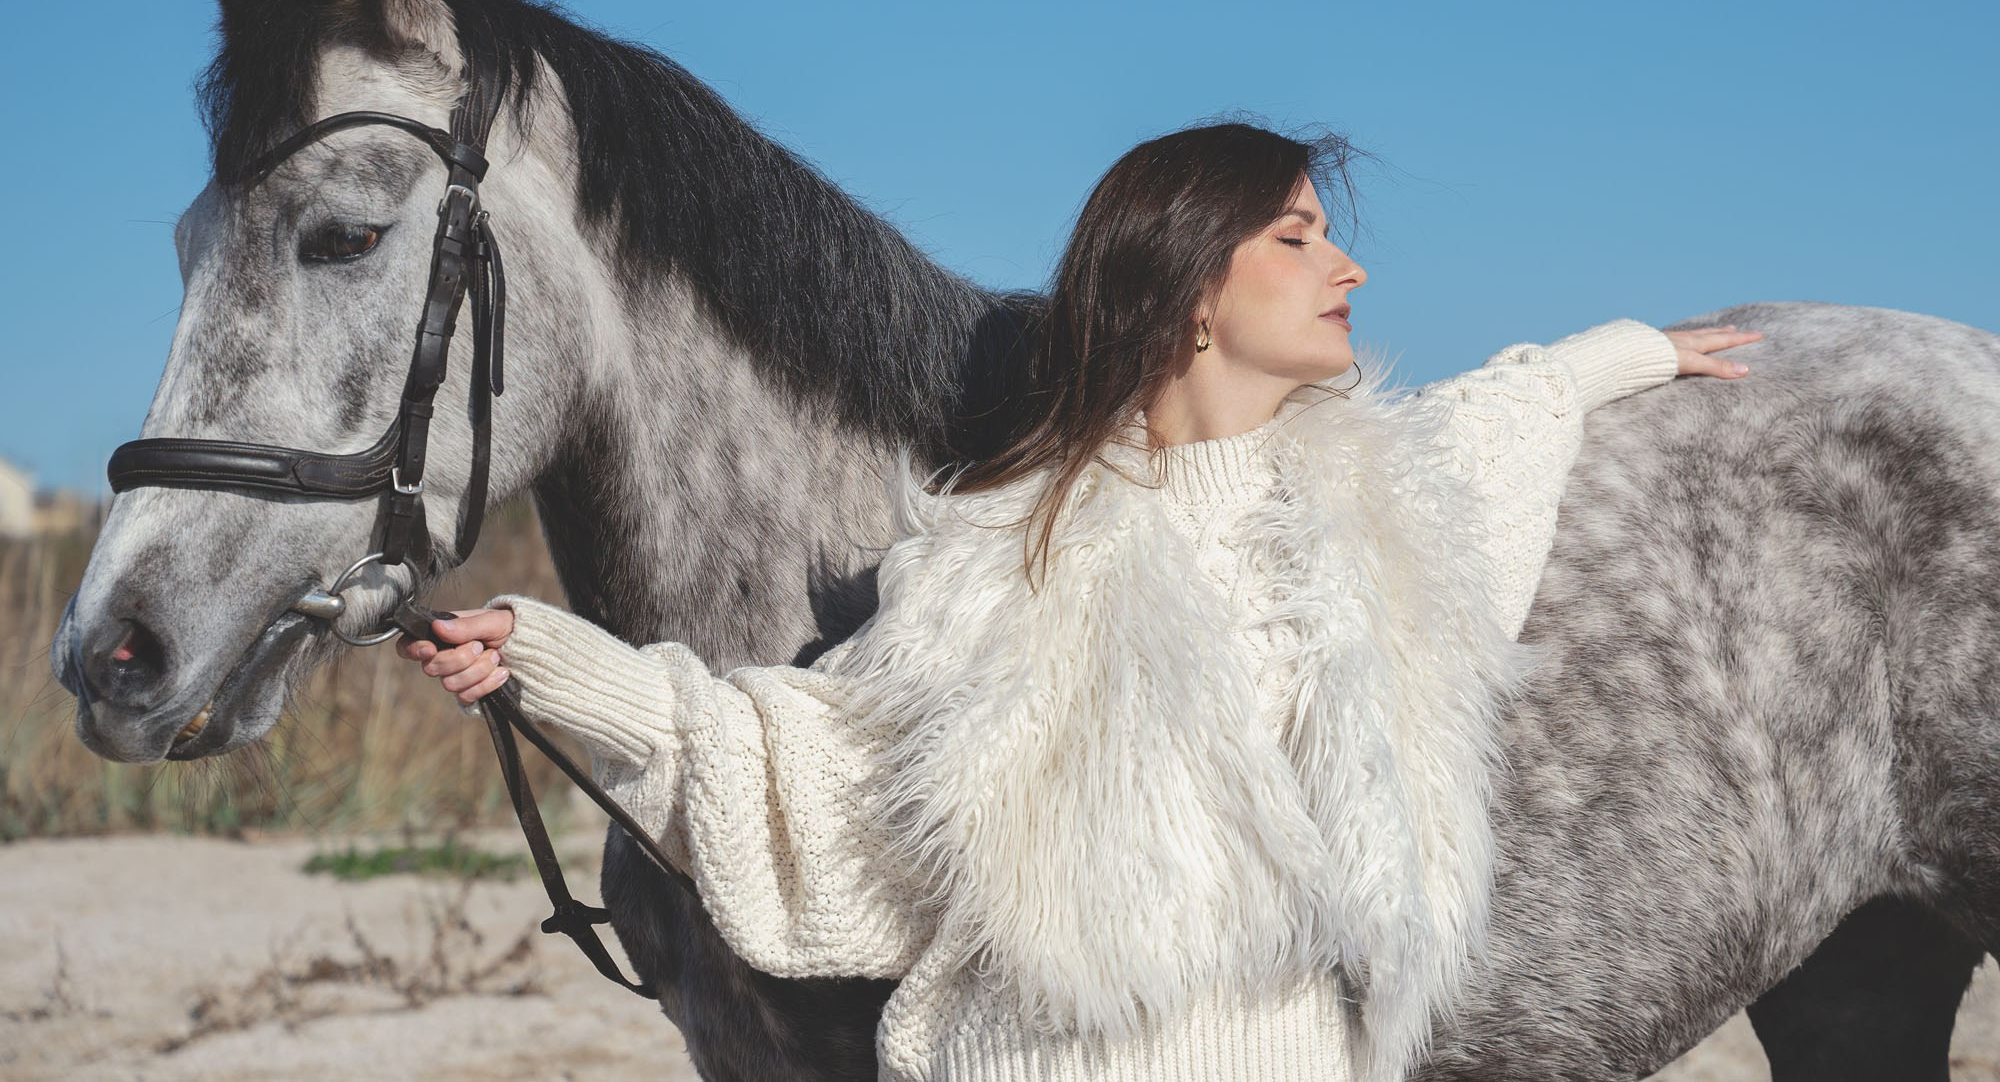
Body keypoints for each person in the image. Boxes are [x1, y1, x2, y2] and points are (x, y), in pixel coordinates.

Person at [399, 121, 1761, 1082]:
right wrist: (560, 657)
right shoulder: (1005, 554)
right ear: (1191, 286)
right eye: (1299, 235)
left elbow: (1485, 426)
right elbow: (822, 767)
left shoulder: (1374, 520)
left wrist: (1618, 356)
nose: (1348, 268)